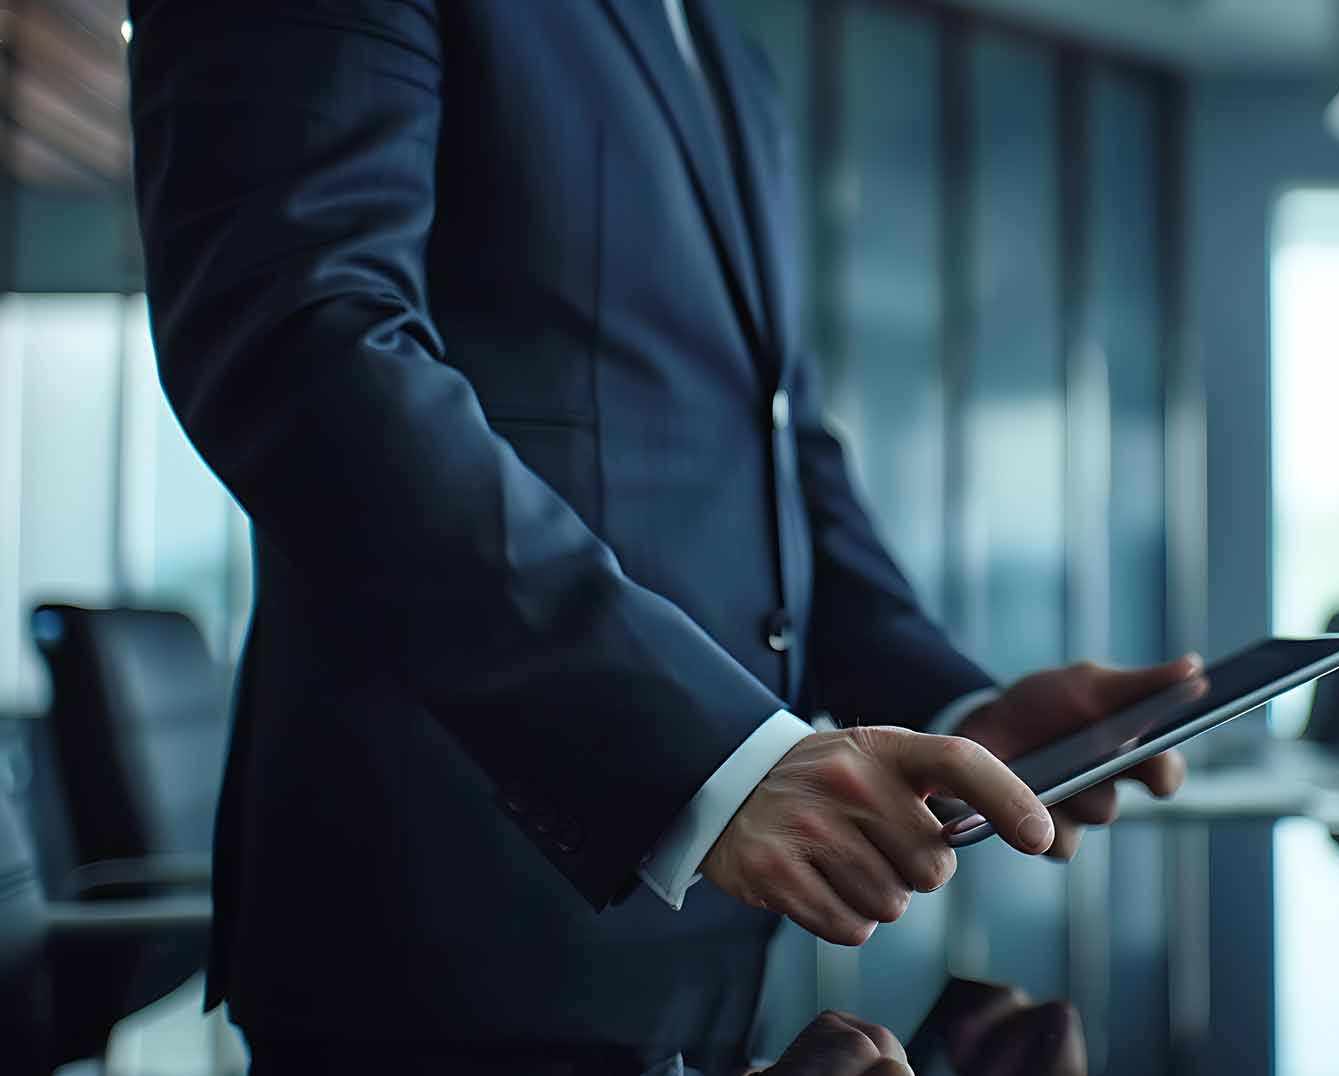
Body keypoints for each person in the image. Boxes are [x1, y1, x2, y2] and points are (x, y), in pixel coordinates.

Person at [125, 1, 1190, 1072]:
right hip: (444, 944)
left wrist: (962, 710)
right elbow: (300, 339)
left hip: (704, 945)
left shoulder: (720, 47)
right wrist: (702, 751)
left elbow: (775, 444)